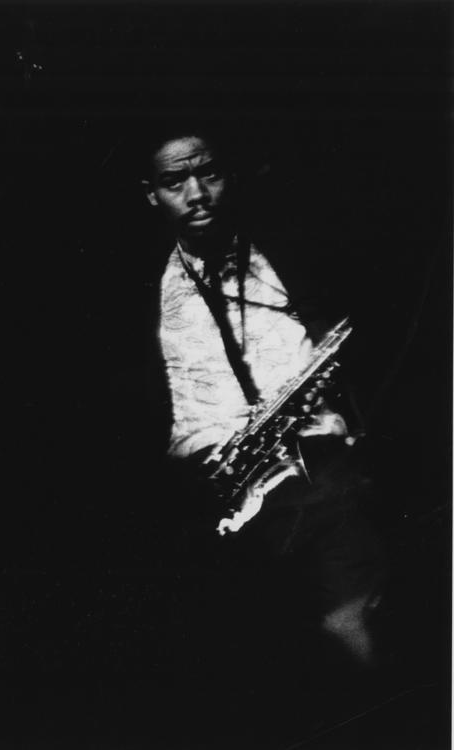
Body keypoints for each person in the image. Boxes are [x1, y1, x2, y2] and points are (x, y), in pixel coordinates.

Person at [138, 125, 385, 702]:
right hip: (211, 506)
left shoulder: (292, 254)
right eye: (176, 181)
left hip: (318, 480)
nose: (198, 193)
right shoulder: (138, 294)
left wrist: (344, 422)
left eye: (210, 173)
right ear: (151, 193)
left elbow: (349, 356)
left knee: (354, 644)